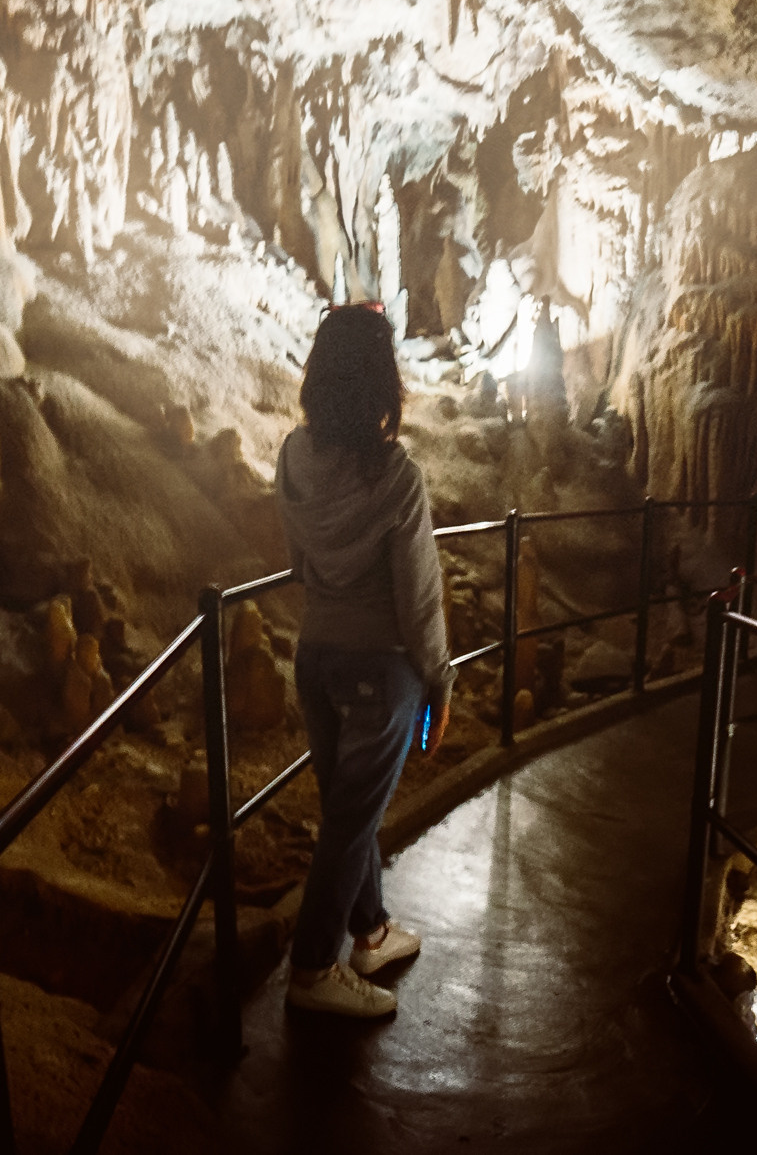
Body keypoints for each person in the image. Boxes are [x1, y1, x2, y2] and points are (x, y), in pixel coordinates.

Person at [275, 303, 453, 1018]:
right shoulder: (396, 475)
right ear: (381, 381)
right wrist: (440, 678)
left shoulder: (292, 454)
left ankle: (370, 932)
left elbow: (295, 557)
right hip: (381, 671)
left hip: (315, 659)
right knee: (350, 820)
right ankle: (313, 969)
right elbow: (418, 598)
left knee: (349, 810)